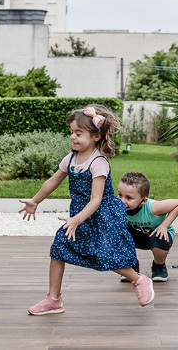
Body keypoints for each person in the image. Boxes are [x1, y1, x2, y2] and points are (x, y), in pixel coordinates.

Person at [21, 105, 153, 315]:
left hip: (101, 216)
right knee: (58, 249)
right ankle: (53, 299)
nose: (73, 137)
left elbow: (96, 200)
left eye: (79, 133)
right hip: (80, 217)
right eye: (72, 132)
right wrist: (35, 201)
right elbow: (52, 181)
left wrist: (76, 220)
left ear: (96, 136)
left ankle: (139, 280)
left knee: (104, 256)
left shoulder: (98, 162)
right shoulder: (71, 158)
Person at [114, 171, 178, 282]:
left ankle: (159, 265)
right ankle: (131, 265)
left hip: (155, 235)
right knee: (117, 233)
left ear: (143, 201)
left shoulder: (153, 208)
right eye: (120, 195)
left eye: (129, 198)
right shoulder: (118, 206)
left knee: (160, 238)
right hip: (136, 236)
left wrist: (164, 226)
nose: (122, 201)